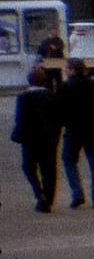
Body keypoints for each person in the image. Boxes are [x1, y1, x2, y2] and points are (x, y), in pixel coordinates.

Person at [58, 58, 94, 209]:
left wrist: (62, 124)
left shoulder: (64, 88)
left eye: (67, 69)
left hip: (73, 131)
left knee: (69, 160)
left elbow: (58, 111)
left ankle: (77, 194)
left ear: (72, 70)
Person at [12, 65, 63, 212]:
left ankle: (39, 192)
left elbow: (20, 118)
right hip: (50, 138)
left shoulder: (23, 97)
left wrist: (18, 135)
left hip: (30, 138)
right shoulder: (53, 96)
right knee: (49, 169)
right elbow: (59, 118)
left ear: (29, 81)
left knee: (28, 166)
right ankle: (48, 199)